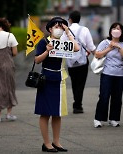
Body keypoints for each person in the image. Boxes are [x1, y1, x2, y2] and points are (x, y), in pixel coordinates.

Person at [34, 17, 79, 152]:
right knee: (45, 112)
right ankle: (46, 143)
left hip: (60, 79)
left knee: (57, 113)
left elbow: (76, 48)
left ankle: (56, 142)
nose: (59, 29)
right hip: (46, 79)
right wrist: (47, 51)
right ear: (50, 29)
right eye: (56, 26)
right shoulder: (44, 42)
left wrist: (67, 31)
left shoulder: (64, 42)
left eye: (61, 27)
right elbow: (37, 60)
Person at [94, 22, 123, 128]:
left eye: (119, 29)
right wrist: (109, 48)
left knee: (117, 97)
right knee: (104, 96)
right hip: (107, 73)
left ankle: (113, 118)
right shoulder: (105, 42)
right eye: (114, 28)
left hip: (119, 75)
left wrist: (118, 47)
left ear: (122, 32)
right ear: (110, 31)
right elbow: (97, 54)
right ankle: (98, 119)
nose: (116, 30)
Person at [61, 10, 96, 114]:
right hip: (83, 61)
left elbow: (62, 45)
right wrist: (97, 55)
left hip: (71, 61)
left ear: (70, 19)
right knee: (81, 83)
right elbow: (91, 46)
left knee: (74, 83)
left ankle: (76, 103)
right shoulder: (85, 30)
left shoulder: (65, 31)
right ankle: (78, 105)